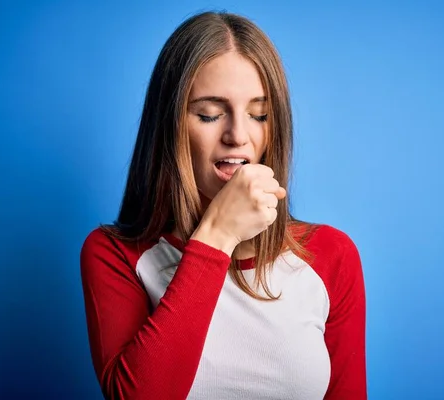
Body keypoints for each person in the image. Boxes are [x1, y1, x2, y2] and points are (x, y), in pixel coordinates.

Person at [80, 10, 366, 400]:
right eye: (210, 114)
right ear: (170, 125)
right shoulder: (115, 255)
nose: (238, 135)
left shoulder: (331, 255)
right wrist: (218, 235)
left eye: (258, 114)